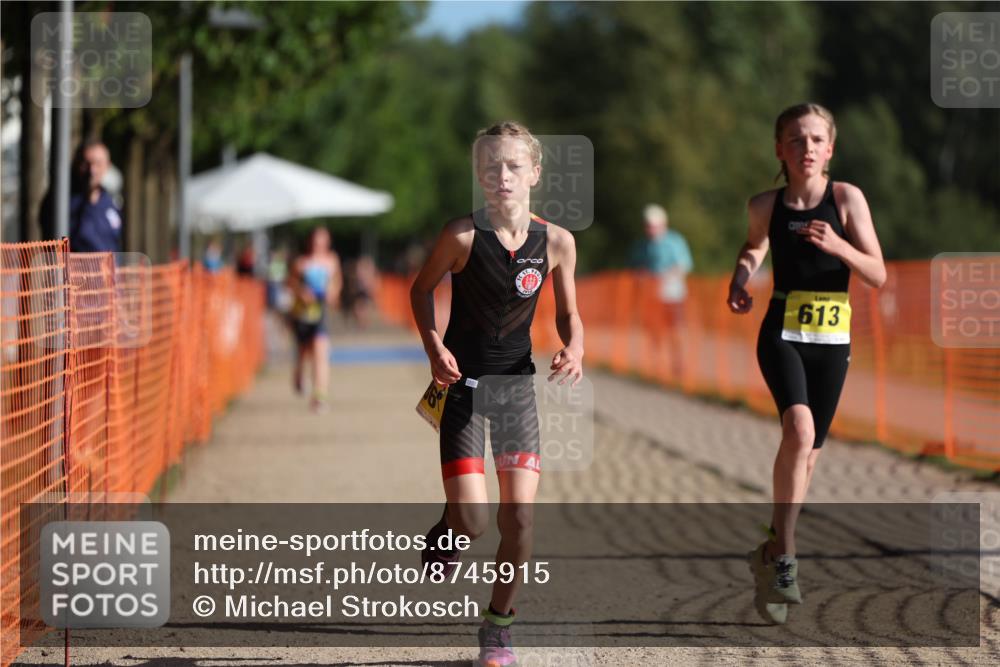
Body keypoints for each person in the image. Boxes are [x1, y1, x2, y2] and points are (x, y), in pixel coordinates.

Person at [409, 121, 584, 667]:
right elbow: (420, 290)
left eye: (513, 165)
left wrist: (574, 347)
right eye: (490, 166)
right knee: (474, 523)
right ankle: (448, 527)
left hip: (516, 394)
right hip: (461, 389)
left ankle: (498, 628)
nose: (501, 175)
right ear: (478, 174)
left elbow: (569, 313)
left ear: (534, 172)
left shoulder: (556, 242)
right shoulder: (461, 236)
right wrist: (434, 346)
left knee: (520, 521)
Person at [727, 103, 886, 624]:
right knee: (798, 429)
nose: (808, 148)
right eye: (796, 140)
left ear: (831, 148)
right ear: (780, 150)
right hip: (782, 332)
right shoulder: (765, 204)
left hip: (832, 339)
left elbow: (878, 274)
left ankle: (770, 552)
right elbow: (753, 248)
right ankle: (788, 560)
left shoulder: (846, 199)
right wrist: (740, 278)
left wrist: (839, 244)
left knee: (810, 454)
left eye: (817, 139)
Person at [630, 203, 693, 380]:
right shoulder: (642, 245)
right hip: (651, 297)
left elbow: (684, 266)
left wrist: (664, 276)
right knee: (654, 331)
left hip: (673, 296)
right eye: (648, 226)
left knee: (677, 331)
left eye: (654, 226)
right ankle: (657, 365)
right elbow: (636, 268)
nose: (651, 229)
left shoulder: (675, 241)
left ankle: (679, 365)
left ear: (663, 224)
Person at [288, 227, 342, 412]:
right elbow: (291, 283)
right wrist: (301, 292)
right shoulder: (301, 263)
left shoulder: (332, 260)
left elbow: (336, 282)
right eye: (315, 240)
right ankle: (298, 374)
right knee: (303, 352)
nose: (318, 244)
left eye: (322, 240)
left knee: (320, 351)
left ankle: (319, 395)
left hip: (320, 314)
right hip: (302, 314)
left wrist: (332, 294)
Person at [41, 140, 123, 252]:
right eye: (86, 164)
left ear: (107, 166)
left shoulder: (110, 202)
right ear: (77, 164)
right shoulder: (60, 202)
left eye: (98, 164)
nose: (92, 170)